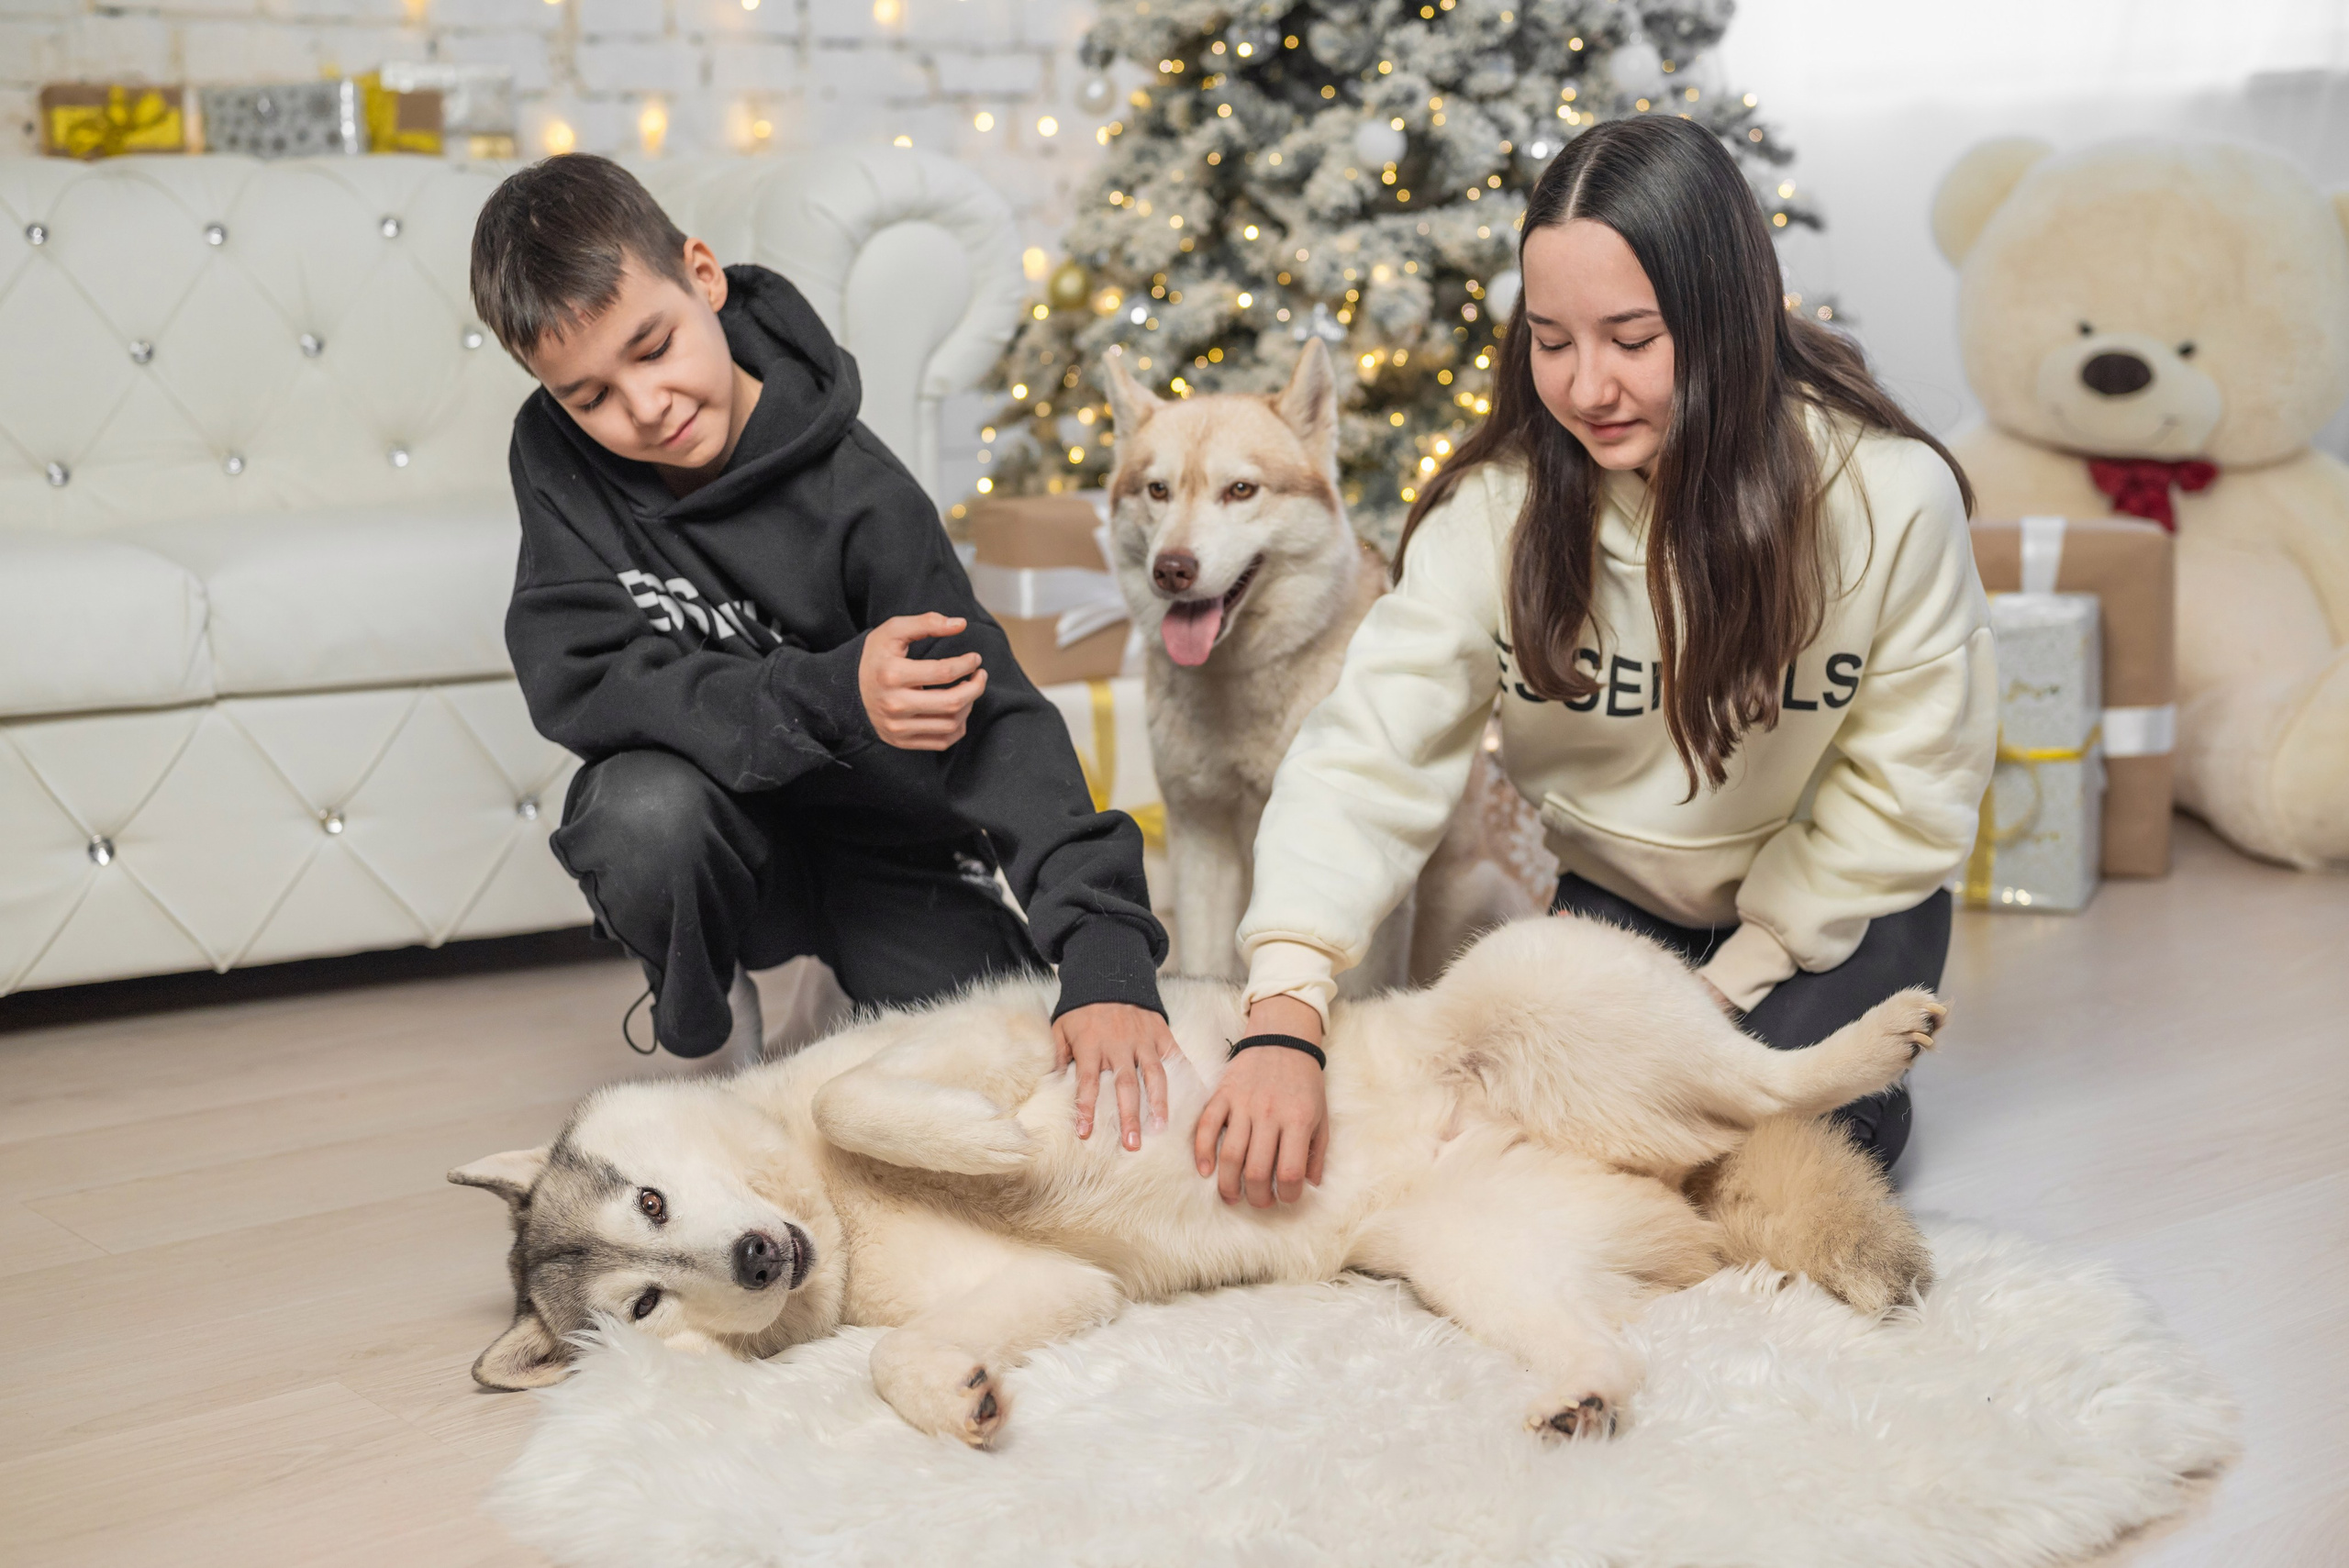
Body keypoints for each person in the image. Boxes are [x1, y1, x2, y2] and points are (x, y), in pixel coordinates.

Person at [1198, 117, 1997, 1206]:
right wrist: (1282, 1012)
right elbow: (1366, 758)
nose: (1585, 388)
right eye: (1552, 339)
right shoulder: (1497, 512)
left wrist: (1717, 996)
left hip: (1833, 915)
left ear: (1726, 318)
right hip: (1623, 906)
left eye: (1632, 338)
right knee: (1535, 1143)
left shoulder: (1891, 498)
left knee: (1754, 1146)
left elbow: (1909, 790)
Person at [472, 154, 1176, 1151]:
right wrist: (834, 691)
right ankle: (712, 1014)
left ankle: (836, 975)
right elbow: (578, 676)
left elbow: (1001, 719)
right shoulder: (555, 457)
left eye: (654, 345)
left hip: (882, 840)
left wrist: (1105, 954)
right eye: (590, 396)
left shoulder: (865, 495)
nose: (643, 405)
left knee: (1007, 1059)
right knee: (639, 813)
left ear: (703, 276)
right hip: (721, 827)